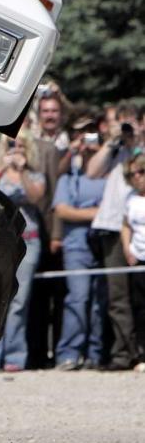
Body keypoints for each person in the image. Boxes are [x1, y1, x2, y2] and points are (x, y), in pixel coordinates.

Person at [0, 136, 45, 372]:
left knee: (19, 301)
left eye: (21, 145)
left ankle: (15, 356)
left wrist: (22, 172)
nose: (16, 149)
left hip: (28, 241)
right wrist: (1, 168)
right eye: (12, 145)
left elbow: (36, 196)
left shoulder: (34, 175)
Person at [89, 103, 142, 369]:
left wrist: (135, 141)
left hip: (138, 227)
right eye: (122, 121)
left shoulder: (137, 151)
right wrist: (112, 142)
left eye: (131, 121)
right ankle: (123, 354)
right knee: (117, 296)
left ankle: (138, 351)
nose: (127, 126)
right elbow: (92, 171)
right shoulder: (115, 150)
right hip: (112, 228)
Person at [51, 126, 107, 370]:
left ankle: (95, 353)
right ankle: (69, 352)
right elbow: (62, 210)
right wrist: (97, 213)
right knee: (78, 298)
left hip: (104, 245)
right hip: (76, 246)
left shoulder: (109, 176)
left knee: (99, 301)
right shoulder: (68, 178)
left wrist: (83, 213)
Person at [119, 152, 145, 372]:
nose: (137, 177)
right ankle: (140, 354)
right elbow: (126, 225)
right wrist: (127, 248)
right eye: (133, 174)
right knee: (138, 308)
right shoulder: (131, 199)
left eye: (142, 172)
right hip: (138, 258)